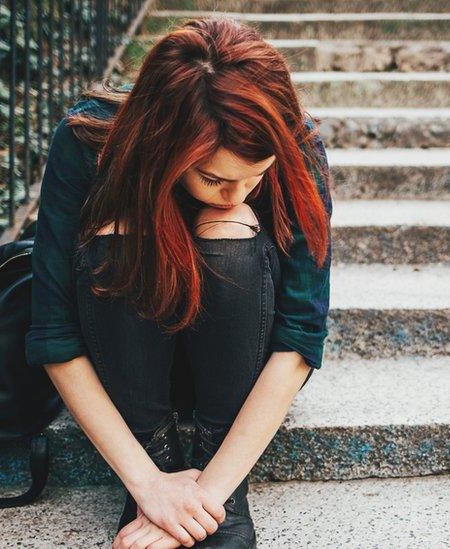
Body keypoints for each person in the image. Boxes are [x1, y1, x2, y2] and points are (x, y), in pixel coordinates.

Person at [24, 16, 332, 549]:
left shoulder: (295, 142)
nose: (239, 192)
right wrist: (151, 486)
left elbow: (301, 334)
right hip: (126, 361)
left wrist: (208, 499)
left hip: (242, 366)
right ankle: (160, 453)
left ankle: (216, 470)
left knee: (227, 228)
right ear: (167, 147)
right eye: (214, 177)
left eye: (255, 175)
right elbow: (53, 330)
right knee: (122, 232)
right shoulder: (89, 141)